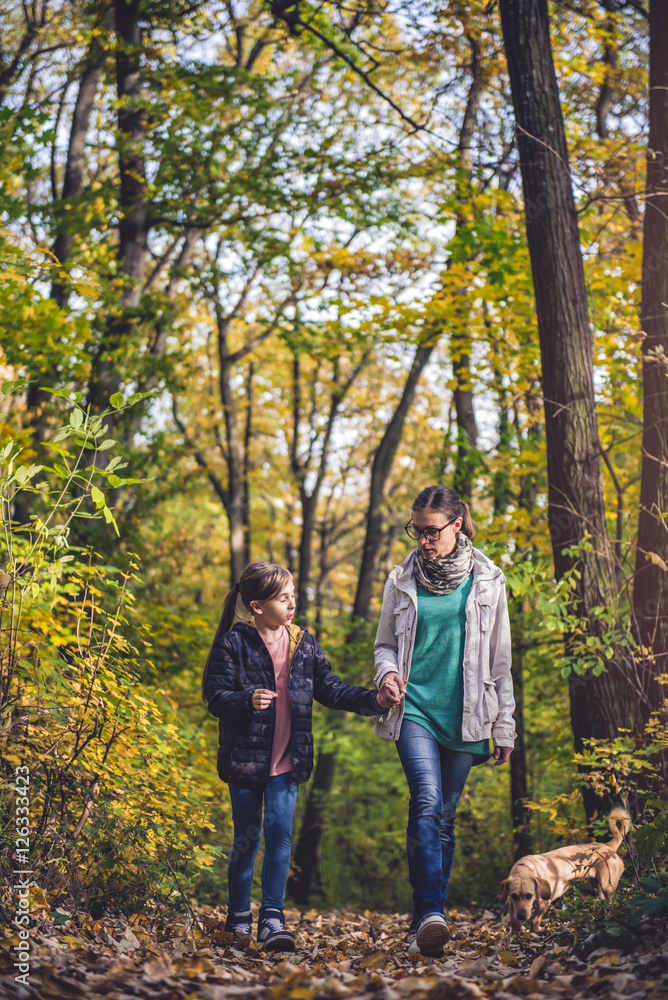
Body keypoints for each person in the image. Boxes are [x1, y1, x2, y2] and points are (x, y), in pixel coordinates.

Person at [203, 560, 399, 952]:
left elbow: (331, 689)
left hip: (288, 763)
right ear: (257, 605)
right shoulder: (233, 643)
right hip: (245, 762)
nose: (292, 604)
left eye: (293, 596)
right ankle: (239, 917)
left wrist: (375, 700)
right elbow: (216, 697)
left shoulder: (303, 644)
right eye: (283, 598)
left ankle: (272, 920)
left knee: (280, 838)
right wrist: (246, 699)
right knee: (246, 839)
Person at [373, 485, 516, 957]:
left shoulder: (490, 581)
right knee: (427, 799)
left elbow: (501, 661)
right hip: (413, 706)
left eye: (431, 530)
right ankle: (432, 910)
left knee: (445, 817)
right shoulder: (400, 580)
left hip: (467, 714)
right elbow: (385, 644)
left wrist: (505, 725)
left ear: (457, 525)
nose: (422, 539)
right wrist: (388, 672)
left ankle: (423, 923)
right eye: (416, 530)